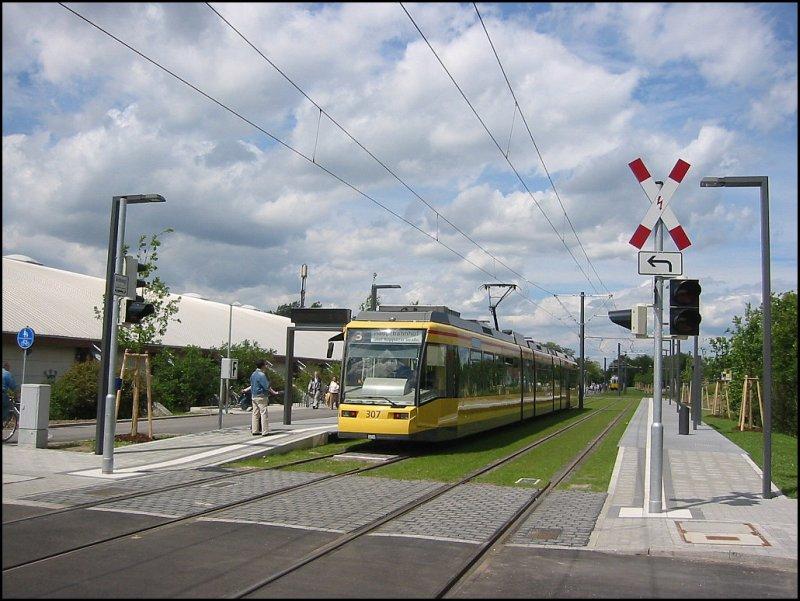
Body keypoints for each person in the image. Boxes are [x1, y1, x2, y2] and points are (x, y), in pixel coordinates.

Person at [250, 360, 278, 436]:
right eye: (265, 365)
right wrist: (270, 383)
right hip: (261, 396)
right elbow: (266, 386)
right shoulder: (262, 375)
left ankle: (255, 430)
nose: (266, 366)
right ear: (262, 366)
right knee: (263, 413)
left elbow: (251, 385)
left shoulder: (253, 374)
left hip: (254, 395)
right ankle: (265, 431)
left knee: (255, 413)